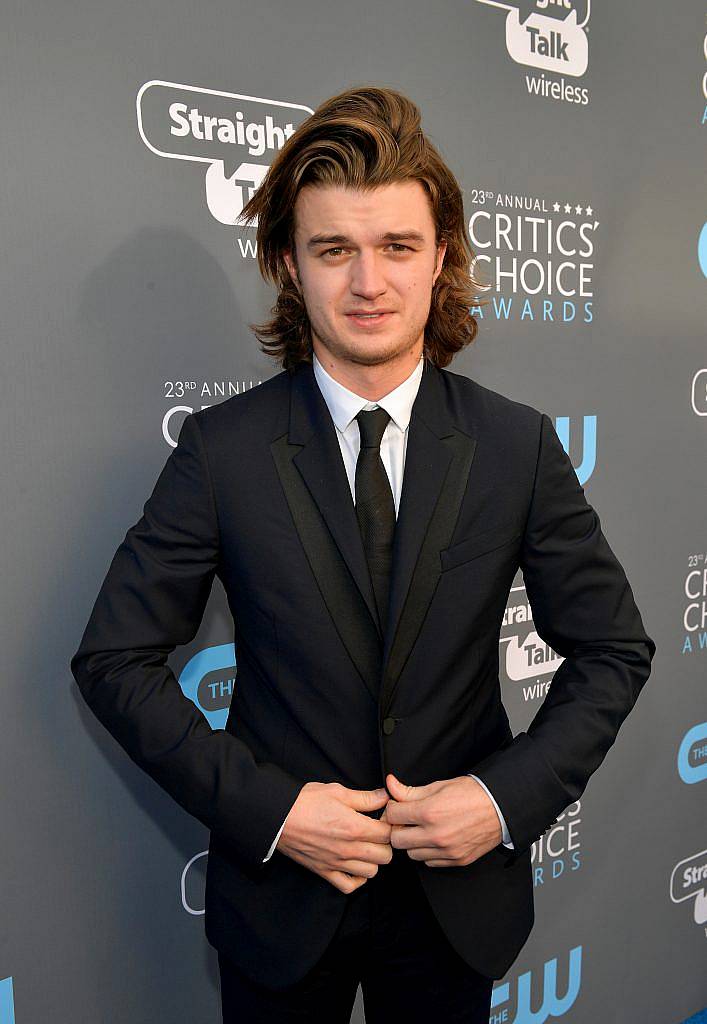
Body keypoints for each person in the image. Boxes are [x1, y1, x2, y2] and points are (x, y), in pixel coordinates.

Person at [70, 85, 656, 1023]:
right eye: (333, 250)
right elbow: (112, 661)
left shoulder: (518, 448)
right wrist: (272, 812)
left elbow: (614, 652)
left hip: (455, 904)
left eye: (396, 248)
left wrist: (500, 801)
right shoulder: (221, 453)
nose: (367, 283)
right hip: (279, 905)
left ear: (442, 260)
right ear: (288, 267)